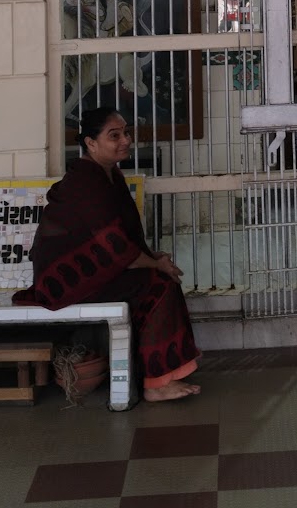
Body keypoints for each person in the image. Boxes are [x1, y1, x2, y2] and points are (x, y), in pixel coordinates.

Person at [15, 106, 201, 402]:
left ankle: (160, 374)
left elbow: (122, 239)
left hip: (93, 271)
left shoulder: (108, 174)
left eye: (126, 132)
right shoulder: (86, 181)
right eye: (114, 135)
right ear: (90, 143)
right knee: (158, 285)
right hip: (67, 279)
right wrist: (154, 263)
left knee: (158, 278)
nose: (125, 140)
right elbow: (113, 245)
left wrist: (153, 258)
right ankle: (156, 385)